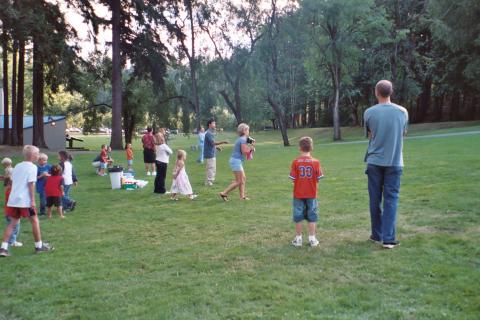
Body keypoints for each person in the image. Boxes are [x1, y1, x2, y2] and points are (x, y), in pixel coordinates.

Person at [364, 80, 408, 249]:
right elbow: (403, 134)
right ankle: (389, 239)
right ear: (391, 92)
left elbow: (370, 135)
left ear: (376, 92)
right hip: (395, 161)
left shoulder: (369, 112)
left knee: (374, 199)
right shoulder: (403, 112)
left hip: (374, 161)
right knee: (391, 200)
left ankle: (377, 235)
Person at [0, 145, 54, 257]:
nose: (38, 155)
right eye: (37, 153)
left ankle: (3, 249)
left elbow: (13, 181)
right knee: (34, 221)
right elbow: (30, 184)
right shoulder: (33, 167)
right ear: (33, 155)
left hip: (13, 199)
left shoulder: (18, 166)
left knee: (12, 223)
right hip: (24, 200)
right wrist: (33, 200)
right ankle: (39, 246)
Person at [289, 137, 324, 247]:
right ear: (311, 147)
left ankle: (298, 239)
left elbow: (293, 178)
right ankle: (312, 239)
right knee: (312, 216)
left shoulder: (295, 162)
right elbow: (318, 178)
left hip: (298, 194)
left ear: (300, 148)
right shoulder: (316, 162)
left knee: (298, 216)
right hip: (312, 194)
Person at [219, 123, 255, 201]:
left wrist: (251, 146)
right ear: (244, 131)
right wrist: (252, 147)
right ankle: (224, 193)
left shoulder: (242, 139)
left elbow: (244, 151)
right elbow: (244, 152)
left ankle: (242, 197)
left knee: (243, 179)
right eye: (248, 129)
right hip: (236, 161)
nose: (249, 131)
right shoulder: (243, 139)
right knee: (239, 181)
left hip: (236, 161)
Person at [1, 157, 22, 248]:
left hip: (8, 210)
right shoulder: (12, 191)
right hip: (13, 211)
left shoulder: (8, 190)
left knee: (11, 225)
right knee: (14, 226)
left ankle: (10, 240)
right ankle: (12, 241)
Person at [203, 119, 228, 186]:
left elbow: (211, 144)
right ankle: (209, 182)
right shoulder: (208, 133)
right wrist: (223, 142)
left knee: (211, 168)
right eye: (213, 123)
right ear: (209, 125)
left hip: (211, 152)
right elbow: (213, 143)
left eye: (215, 123)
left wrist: (217, 147)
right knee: (211, 168)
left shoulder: (210, 133)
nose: (215, 125)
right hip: (209, 153)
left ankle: (209, 181)